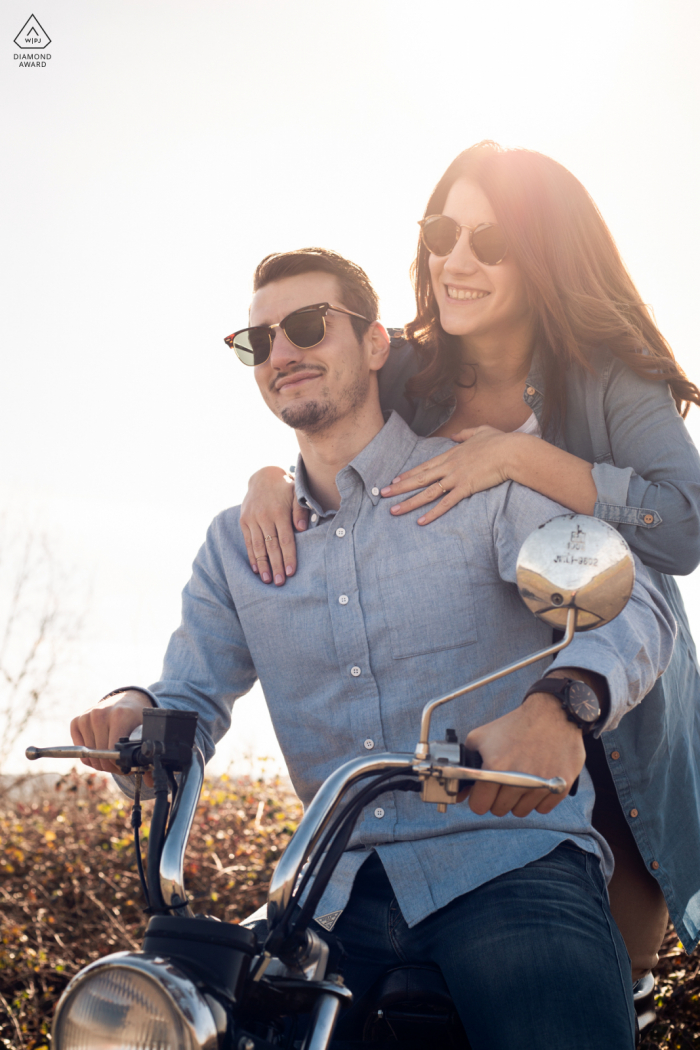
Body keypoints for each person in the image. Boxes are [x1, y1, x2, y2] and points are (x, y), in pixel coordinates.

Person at [71, 249, 675, 1050]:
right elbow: (189, 694)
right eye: (258, 342)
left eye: (307, 326)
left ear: (377, 344)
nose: (282, 353)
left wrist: (561, 706)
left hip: (506, 865)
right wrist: (134, 715)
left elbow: (633, 605)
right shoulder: (234, 543)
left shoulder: (477, 484)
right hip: (326, 892)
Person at [240, 143, 700, 980]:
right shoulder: (412, 364)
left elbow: (683, 527)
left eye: (490, 243)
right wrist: (269, 477)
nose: (456, 260)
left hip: (611, 710)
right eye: (443, 232)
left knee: (598, 979)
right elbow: (327, 418)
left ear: (544, 254)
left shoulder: (609, 377)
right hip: (466, 724)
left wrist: (519, 459)